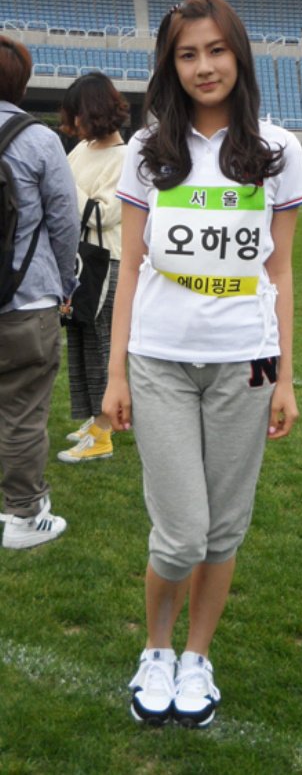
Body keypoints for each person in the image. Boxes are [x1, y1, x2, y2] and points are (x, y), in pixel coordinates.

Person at [102, 0, 302, 728]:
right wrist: (116, 372)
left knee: (224, 529)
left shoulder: (278, 150)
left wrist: (285, 376)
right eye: (187, 54)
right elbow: (130, 267)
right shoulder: (147, 149)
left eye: (216, 49)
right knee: (182, 531)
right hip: (159, 358)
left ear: (238, 55)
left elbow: (280, 271)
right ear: (171, 66)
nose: (204, 66)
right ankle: (154, 648)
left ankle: (195, 657)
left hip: (247, 362)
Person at [0, 35, 80, 550]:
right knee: (23, 413)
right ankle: (25, 515)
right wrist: (65, 284)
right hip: (26, 300)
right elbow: (64, 222)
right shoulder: (38, 140)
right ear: (23, 84)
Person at [57, 73, 129, 464]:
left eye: (77, 114)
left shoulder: (124, 157)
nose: (73, 123)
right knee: (81, 342)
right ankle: (93, 419)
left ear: (94, 112)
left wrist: (63, 182)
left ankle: (103, 430)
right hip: (80, 260)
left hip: (106, 262)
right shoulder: (82, 149)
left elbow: (104, 215)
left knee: (101, 345)